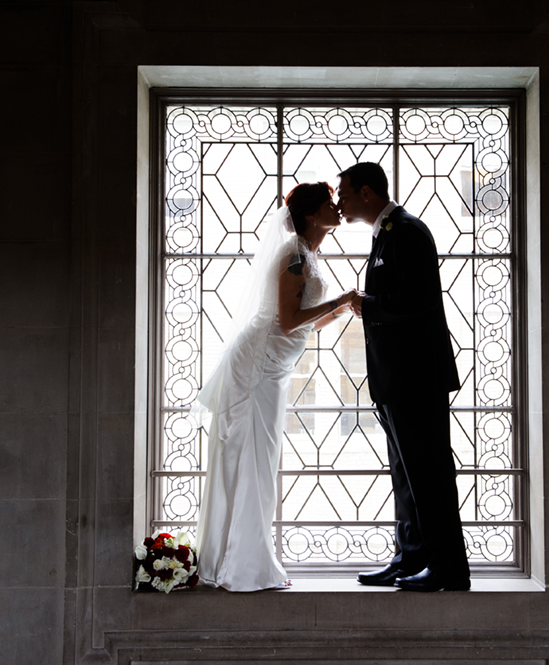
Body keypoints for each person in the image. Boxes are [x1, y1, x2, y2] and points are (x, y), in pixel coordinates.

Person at [195, 182, 355, 592]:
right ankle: (244, 566)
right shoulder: (294, 256)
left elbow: (307, 321)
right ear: (309, 214)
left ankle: (240, 558)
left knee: (260, 459)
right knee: (253, 459)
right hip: (257, 366)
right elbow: (286, 321)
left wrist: (342, 310)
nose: (336, 209)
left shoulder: (308, 255)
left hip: (274, 365)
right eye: (328, 204)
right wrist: (339, 301)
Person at [338, 162, 470, 592]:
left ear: (365, 193)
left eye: (343, 193)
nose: (339, 202)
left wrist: (367, 304)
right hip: (397, 380)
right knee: (406, 475)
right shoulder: (388, 232)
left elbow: (418, 300)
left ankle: (448, 567)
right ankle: (411, 556)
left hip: (417, 379)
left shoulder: (407, 231)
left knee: (429, 474)